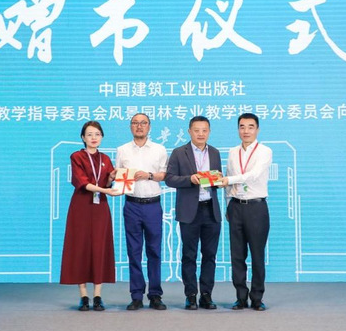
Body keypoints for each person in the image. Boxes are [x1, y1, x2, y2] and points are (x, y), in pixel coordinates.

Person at [165, 115, 222, 310]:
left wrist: (218, 180)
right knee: (189, 255)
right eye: (196, 130)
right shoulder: (179, 153)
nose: (200, 134)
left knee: (210, 255)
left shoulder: (214, 152)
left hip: (211, 210)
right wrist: (189, 179)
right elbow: (169, 179)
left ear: (209, 132)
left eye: (204, 130)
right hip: (190, 211)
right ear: (189, 131)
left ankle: (206, 295)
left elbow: (217, 180)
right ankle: (190, 295)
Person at [60, 120, 118, 312]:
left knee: (99, 246)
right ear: (83, 137)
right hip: (81, 206)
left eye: (97, 134)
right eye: (90, 134)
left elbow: (107, 183)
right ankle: (84, 296)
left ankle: (98, 296)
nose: (94, 138)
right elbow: (82, 182)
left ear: (102, 137)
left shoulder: (106, 158)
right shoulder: (77, 156)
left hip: (100, 207)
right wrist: (105, 190)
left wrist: (110, 179)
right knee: (81, 247)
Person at [116, 113, 169, 311]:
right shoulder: (122, 150)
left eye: (143, 123)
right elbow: (119, 175)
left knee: (154, 251)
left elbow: (164, 175)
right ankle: (136, 295)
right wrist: (114, 176)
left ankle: (155, 295)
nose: (139, 126)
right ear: (130, 127)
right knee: (134, 251)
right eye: (135, 123)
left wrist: (148, 175)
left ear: (149, 126)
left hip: (153, 205)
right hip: (132, 205)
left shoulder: (159, 149)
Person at [220, 113, 272, 311]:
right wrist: (227, 205)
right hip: (236, 207)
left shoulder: (265, 151)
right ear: (238, 129)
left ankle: (257, 297)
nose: (246, 131)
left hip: (256, 207)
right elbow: (228, 178)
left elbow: (254, 175)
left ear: (257, 129)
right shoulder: (233, 152)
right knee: (237, 255)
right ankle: (240, 297)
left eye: (250, 127)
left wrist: (229, 180)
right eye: (242, 127)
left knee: (257, 255)